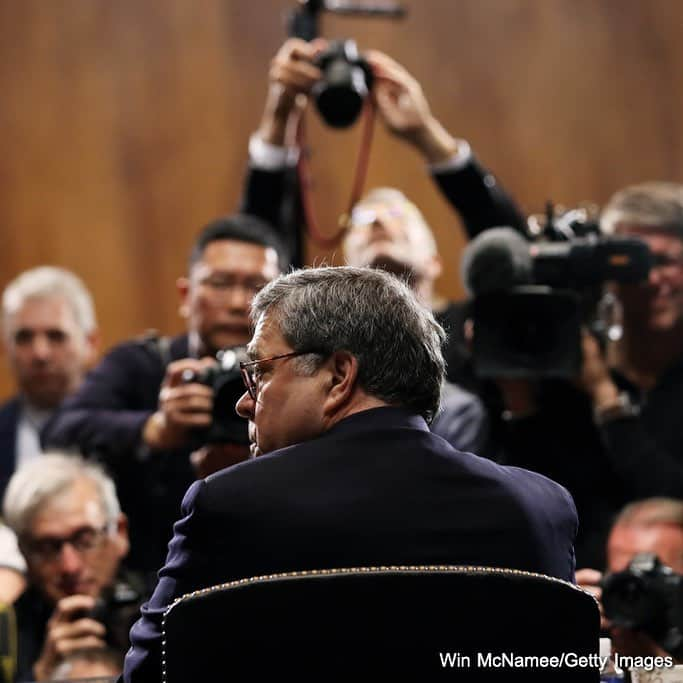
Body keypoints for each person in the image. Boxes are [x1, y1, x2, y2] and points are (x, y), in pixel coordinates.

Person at [122, 266, 578, 683]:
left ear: (339, 375)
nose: (243, 402)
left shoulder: (229, 507)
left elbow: (147, 677)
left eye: (258, 372)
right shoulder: (539, 508)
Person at [243, 40, 523, 453]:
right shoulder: (317, 342)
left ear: (434, 261)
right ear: (343, 268)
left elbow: (508, 248)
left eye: (399, 218)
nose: (376, 222)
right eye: (361, 222)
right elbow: (254, 251)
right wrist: (278, 117)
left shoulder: (472, 332)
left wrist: (428, 136)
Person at [42, 214, 288, 577]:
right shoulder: (145, 365)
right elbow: (59, 433)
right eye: (219, 283)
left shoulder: (295, 375)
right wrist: (155, 430)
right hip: (153, 569)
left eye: (256, 286)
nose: (238, 302)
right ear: (186, 295)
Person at [495, 182, 683, 568]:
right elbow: (548, 503)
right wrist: (520, 399)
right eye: (635, 265)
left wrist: (605, 398)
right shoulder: (572, 366)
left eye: (664, 262)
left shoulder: (592, 377)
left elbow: (672, 501)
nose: (650, 281)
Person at [2, 454, 138, 682]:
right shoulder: (7, 634)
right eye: (47, 547)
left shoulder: (161, 608)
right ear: (23, 553)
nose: (70, 566)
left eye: (84, 540)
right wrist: (38, 677)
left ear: (120, 533)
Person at [0, 266, 99, 500]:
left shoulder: (128, 433)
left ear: (91, 343)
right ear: (5, 348)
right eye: (24, 338)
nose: (40, 353)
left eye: (56, 336)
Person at [577, 497, 683, 660]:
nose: (630, 591)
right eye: (621, 577)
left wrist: (656, 664)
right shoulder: (598, 635)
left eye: (649, 575)